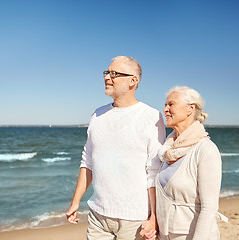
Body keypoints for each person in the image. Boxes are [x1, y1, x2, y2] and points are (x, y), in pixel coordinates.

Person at [66, 56, 166, 240]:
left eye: (114, 74)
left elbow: (154, 172)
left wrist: (154, 217)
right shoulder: (97, 114)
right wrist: (75, 202)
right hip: (98, 214)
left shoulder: (152, 116)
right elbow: (87, 161)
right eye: (106, 72)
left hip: (135, 218)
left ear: (132, 81)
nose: (107, 77)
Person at [154, 86, 228, 240]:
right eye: (165, 105)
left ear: (190, 109)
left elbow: (209, 208)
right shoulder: (166, 150)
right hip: (165, 235)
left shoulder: (206, 150)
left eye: (171, 104)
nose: (165, 109)